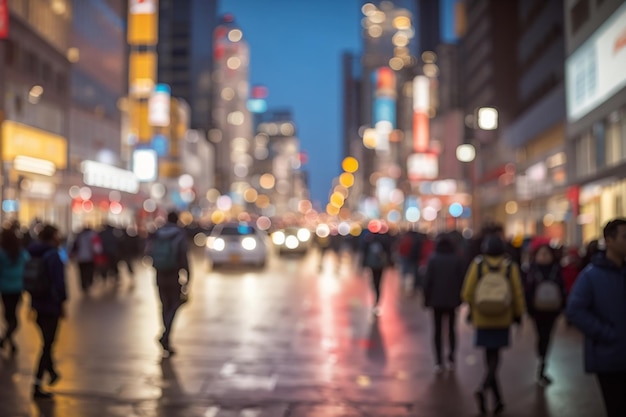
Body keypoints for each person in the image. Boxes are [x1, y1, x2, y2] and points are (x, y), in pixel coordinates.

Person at [567, 219, 626, 417]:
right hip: (609, 357)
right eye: (624, 237)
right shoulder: (591, 276)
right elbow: (575, 310)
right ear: (608, 240)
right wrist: (607, 333)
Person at [462, 235, 525, 416]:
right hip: (503, 318)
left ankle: (493, 395)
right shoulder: (509, 266)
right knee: (495, 357)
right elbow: (517, 292)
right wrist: (519, 314)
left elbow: (467, 292)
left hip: (482, 319)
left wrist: (475, 307)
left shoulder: (478, 265)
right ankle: (489, 393)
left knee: (489, 356)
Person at [27, 224, 67, 399]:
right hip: (51, 305)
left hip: (37, 303)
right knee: (48, 344)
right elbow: (59, 283)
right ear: (53, 236)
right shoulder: (54, 256)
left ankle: (52, 372)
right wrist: (63, 303)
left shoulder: (34, 253)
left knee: (46, 341)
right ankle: (37, 383)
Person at [145, 211, 190, 356]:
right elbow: (183, 255)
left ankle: (166, 337)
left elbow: (149, 253)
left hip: (159, 274)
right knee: (175, 305)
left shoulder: (158, 233)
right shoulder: (179, 234)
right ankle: (165, 336)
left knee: (164, 305)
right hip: (173, 274)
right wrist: (188, 275)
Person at [524, 241, 566, 386]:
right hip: (537, 310)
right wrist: (528, 309)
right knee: (541, 336)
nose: (544, 256)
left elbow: (562, 288)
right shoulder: (531, 270)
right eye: (541, 254)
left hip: (552, 311)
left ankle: (543, 362)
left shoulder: (556, 270)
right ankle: (542, 359)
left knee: (547, 336)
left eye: (546, 254)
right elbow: (527, 291)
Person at [422, 233, 466, 373]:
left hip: (436, 300)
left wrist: (426, 299)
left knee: (437, 331)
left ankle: (438, 361)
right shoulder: (457, 259)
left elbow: (427, 281)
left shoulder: (433, 259)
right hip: (452, 300)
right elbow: (461, 280)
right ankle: (452, 356)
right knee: (452, 329)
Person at [0, 227, 31, 354]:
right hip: (18, 287)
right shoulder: (21, 252)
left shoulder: (1, 253)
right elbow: (28, 262)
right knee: (13, 317)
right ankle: (8, 340)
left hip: (4, 288)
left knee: (8, 315)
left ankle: (6, 340)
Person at [360, 230, 392, 316]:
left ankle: (376, 299)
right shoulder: (383, 240)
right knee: (378, 283)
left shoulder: (369, 240)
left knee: (374, 282)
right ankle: (377, 299)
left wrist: (363, 264)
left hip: (373, 265)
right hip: (380, 265)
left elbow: (364, 251)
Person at [70, 225, 101, 294]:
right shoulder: (93, 235)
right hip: (90, 257)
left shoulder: (79, 236)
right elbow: (97, 247)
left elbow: (74, 246)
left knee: (82, 271)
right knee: (90, 270)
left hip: (80, 257)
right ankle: (89, 282)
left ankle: (83, 284)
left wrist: (72, 254)